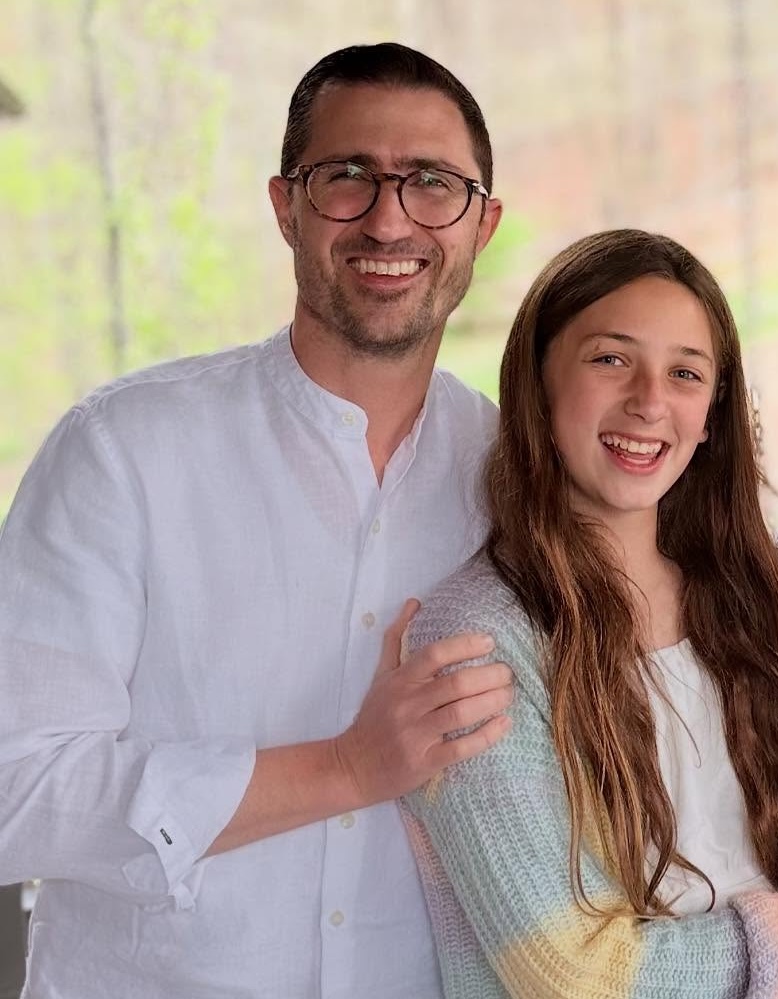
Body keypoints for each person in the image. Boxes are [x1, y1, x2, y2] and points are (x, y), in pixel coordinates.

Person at [0, 43, 516, 997]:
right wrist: (344, 767)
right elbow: (13, 791)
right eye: (348, 177)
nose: (390, 217)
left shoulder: (515, 477)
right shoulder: (122, 451)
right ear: (285, 206)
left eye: (433, 183)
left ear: (483, 223)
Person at [400, 229, 778, 999]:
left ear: (712, 413)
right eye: (611, 358)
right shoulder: (478, 637)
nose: (650, 402)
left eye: (685, 372)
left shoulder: (748, 598)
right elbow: (573, 974)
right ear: (539, 380)